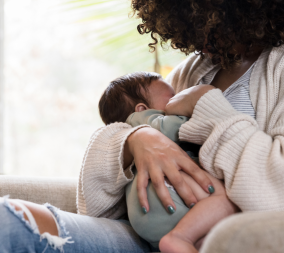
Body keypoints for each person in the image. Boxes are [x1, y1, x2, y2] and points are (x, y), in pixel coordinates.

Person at [1, 0, 284, 252]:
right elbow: (95, 202)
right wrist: (137, 139)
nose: (200, 44)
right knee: (8, 221)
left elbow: (275, 192)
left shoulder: (277, 68)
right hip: (147, 236)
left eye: (210, 27)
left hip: (219, 237)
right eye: (193, 30)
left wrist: (207, 104)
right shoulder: (196, 68)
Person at [98, 71, 238, 252]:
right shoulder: (143, 121)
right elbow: (177, 128)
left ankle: (183, 240)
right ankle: (180, 237)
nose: (177, 100)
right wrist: (197, 103)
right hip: (162, 195)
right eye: (172, 98)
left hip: (146, 215)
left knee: (203, 241)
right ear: (141, 109)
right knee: (227, 199)